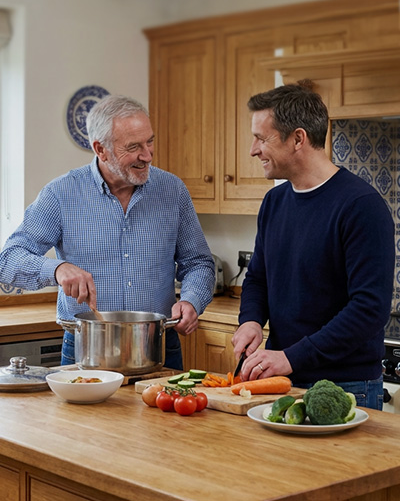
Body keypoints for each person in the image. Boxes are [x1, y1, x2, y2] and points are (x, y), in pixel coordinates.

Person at [0, 95, 215, 370]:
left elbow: (198, 262)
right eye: (134, 147)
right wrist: (57, 269)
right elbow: (7, 260)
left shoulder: (172, 191)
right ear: (100, 149)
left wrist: (191, 300)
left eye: (150, 141)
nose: (147, 155)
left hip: (159, 346)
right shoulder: (61, 194)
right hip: (86, 350)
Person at [232, 81, 395, 410]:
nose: (253, 149)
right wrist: (250, 320)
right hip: (284, 380)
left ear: (297, 139)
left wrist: (290, 357)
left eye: (262, 138)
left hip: (348, 387)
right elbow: (258, 278)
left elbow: (368, 310)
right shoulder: (274, 202)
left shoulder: (361, 206)